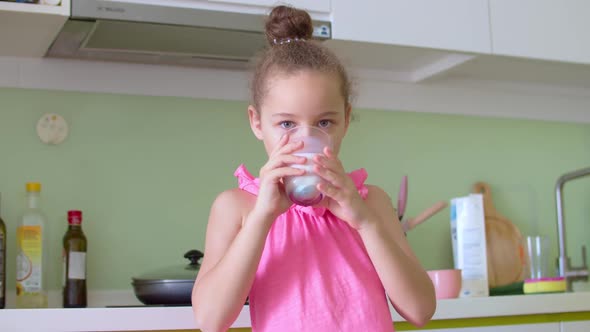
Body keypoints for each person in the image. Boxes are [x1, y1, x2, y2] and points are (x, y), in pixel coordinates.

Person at [192, 5, 436, 332]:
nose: (305, 138)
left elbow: (421, 310)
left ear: (346, 120)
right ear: (257, 122)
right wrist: (263, 216)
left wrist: (364, 222)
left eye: (324, 122)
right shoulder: (238, 208)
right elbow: (210, 320)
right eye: (287, 123)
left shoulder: (371, 203)